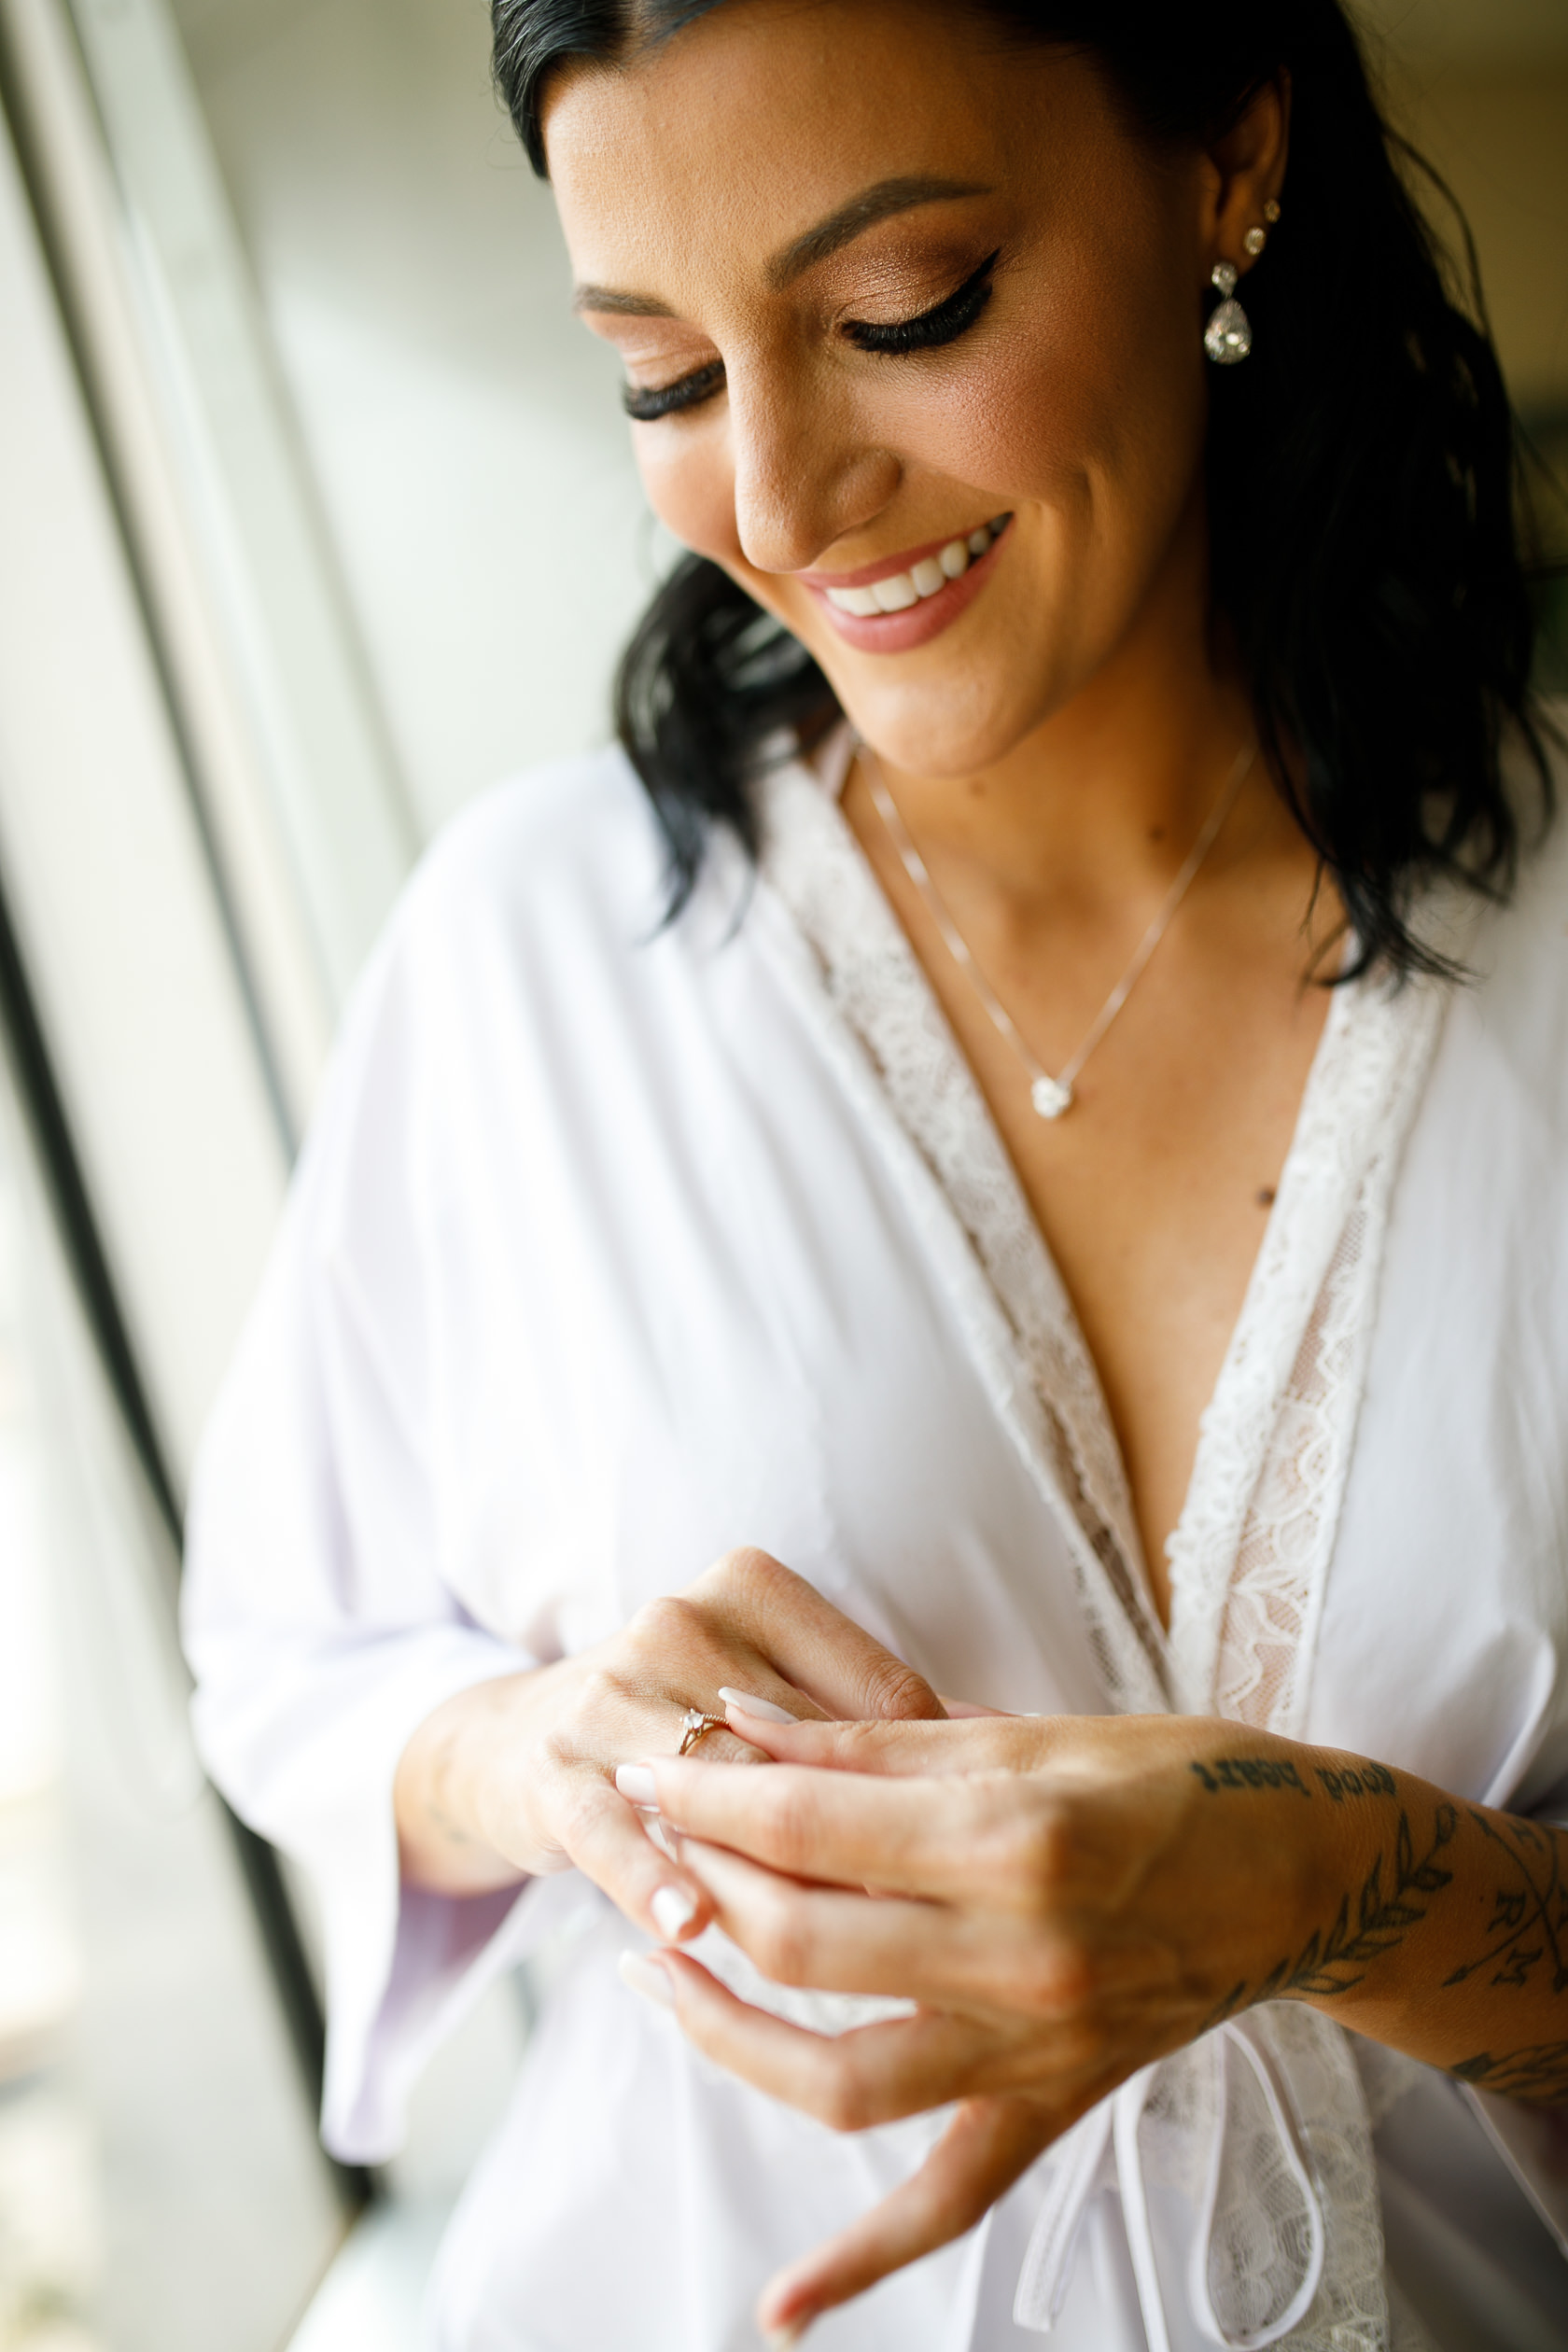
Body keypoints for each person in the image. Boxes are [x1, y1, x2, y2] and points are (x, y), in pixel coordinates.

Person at [180, 1, 1568, 2346]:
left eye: (906, 310)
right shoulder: (527, 960)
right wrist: (534, 1750)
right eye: (661, 375)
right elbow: (287, 1665)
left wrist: (1349, 1887)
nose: (782, 501)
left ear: (1229, 160)